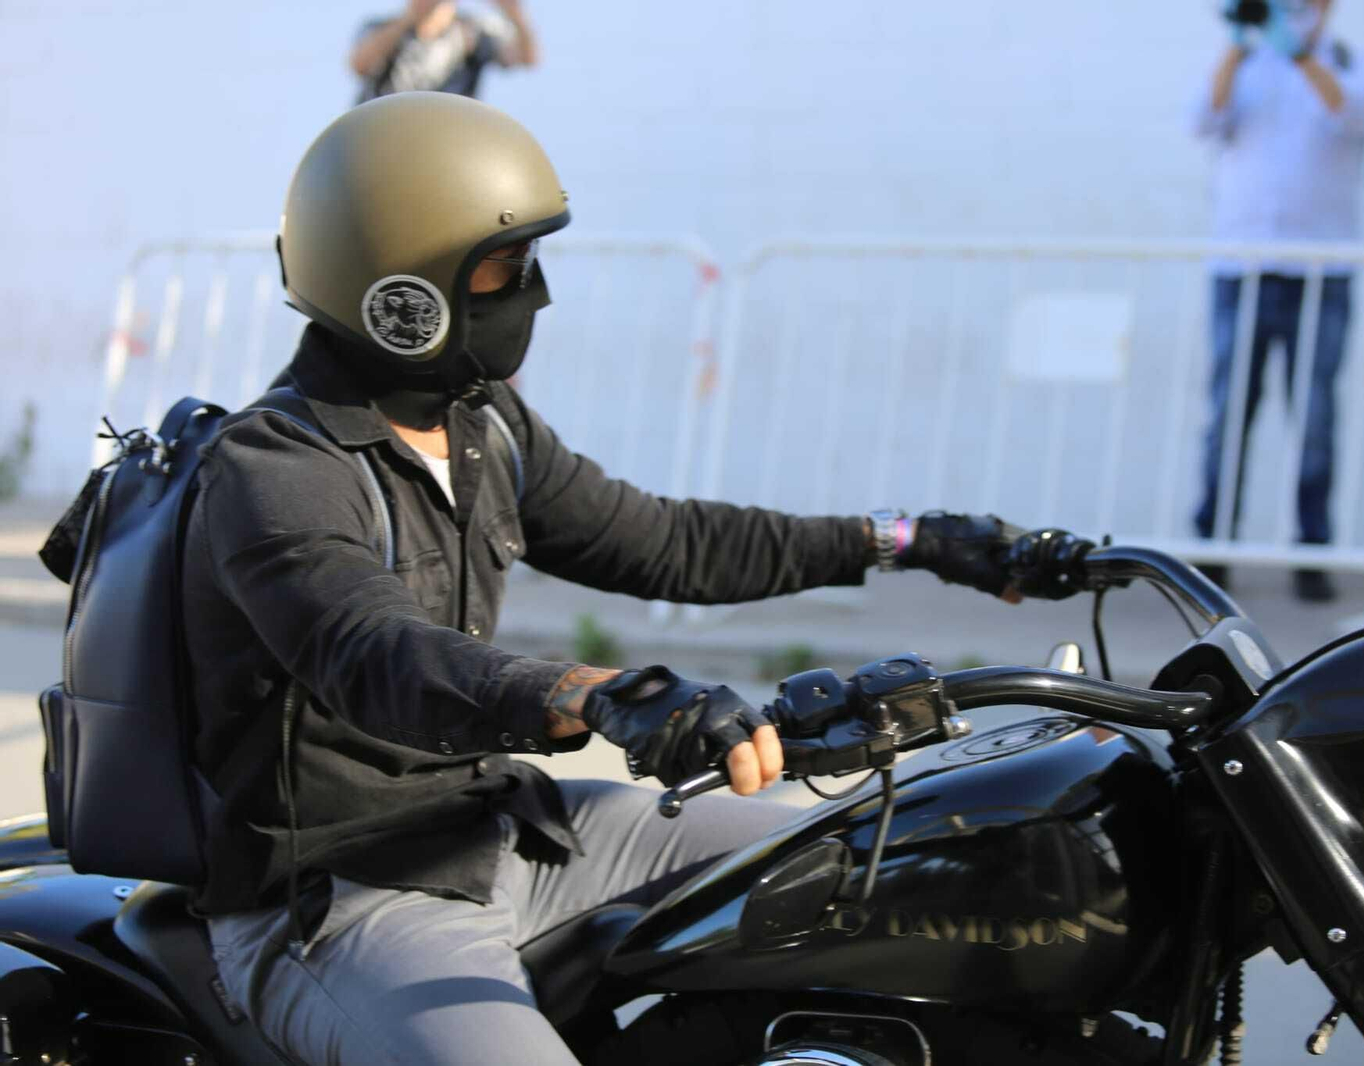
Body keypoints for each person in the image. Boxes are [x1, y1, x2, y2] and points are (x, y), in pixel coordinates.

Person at [186, 92, 1078, 1064]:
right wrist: (600, 693)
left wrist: (910, 539)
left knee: (884, 874)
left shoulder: (482, 426)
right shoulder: (273, 466)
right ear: (402, 292)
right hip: (343, 896)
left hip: (504, 829)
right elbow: (375, 652)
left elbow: (667, 542)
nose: (534, 292)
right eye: (505, 264)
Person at [1190, 0, 1364, 602]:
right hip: (1241, 268)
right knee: (1228, 413)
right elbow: (1202, 119)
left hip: (1321, 272)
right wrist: (1238, 42)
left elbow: (1351, 114)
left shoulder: (1353, 62)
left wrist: (1299, 53)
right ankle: (1213, 550)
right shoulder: (1243, 65)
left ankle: (1312, 551)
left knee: (1315, 417)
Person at [349, 0, 538, 103]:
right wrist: (410, 19)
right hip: (381, 136)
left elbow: (527, 57)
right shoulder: (382, 29)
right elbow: (359, 64)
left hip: (445, 140)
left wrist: (515, 14)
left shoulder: (473, 33)